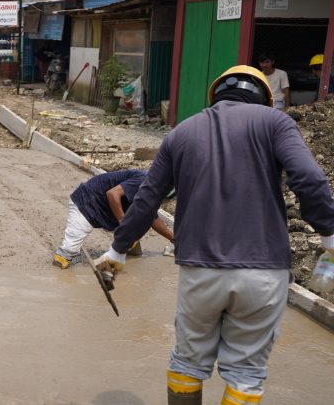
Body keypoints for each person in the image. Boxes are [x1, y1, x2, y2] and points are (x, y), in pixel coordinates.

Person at [94, 65, 334, 404]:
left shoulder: (181, 133)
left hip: (199, 269)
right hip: (264, 271)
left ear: (215, 95)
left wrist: (118, 249)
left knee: (188, 363)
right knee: (247, 372)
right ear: (265, 98)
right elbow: (310, 180)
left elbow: (147, 198)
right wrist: (328, 234)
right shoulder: (277, 123)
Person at [51, 169, 174, 269]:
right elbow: (112, 194)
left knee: (138, 222)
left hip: (109, 209)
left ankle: (130, 250)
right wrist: (122, 221)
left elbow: (152, 217)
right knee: (64, 256)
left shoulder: (155, 191)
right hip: (87, 202)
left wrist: (174, 239)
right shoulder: (143, 180)